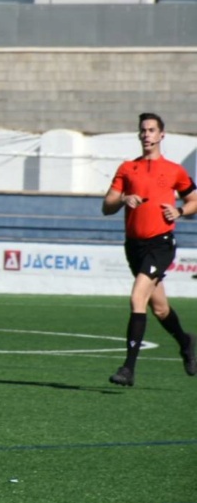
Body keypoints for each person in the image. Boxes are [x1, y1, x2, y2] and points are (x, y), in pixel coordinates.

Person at [101, 112, 197, 387]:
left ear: (161, 135)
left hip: (161, 244)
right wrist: (123, 198)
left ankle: (128, 368)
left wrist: (179, 210)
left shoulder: (174, 170)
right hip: (134, 246)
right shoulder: (127, 169)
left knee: (137, 298)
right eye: (143, 130)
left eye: (152, 130)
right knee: (161, 308)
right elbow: (106, 206)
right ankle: (185, 340)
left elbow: (194, 200)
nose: (147, 135)